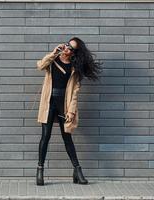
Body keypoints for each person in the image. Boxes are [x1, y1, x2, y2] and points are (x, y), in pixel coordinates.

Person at [35, 37, 103, 186]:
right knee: (45, 137)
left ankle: (77, 170)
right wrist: (53, 53)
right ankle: (40, 170)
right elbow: (40, 65)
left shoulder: (74, 68)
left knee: (67, 138)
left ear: (74, 53)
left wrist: (71, 111)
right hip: (49, 103)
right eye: (66, 45)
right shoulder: (53, 60)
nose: (66, 48)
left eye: (70, 48)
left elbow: (74, 93)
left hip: (63, 105)